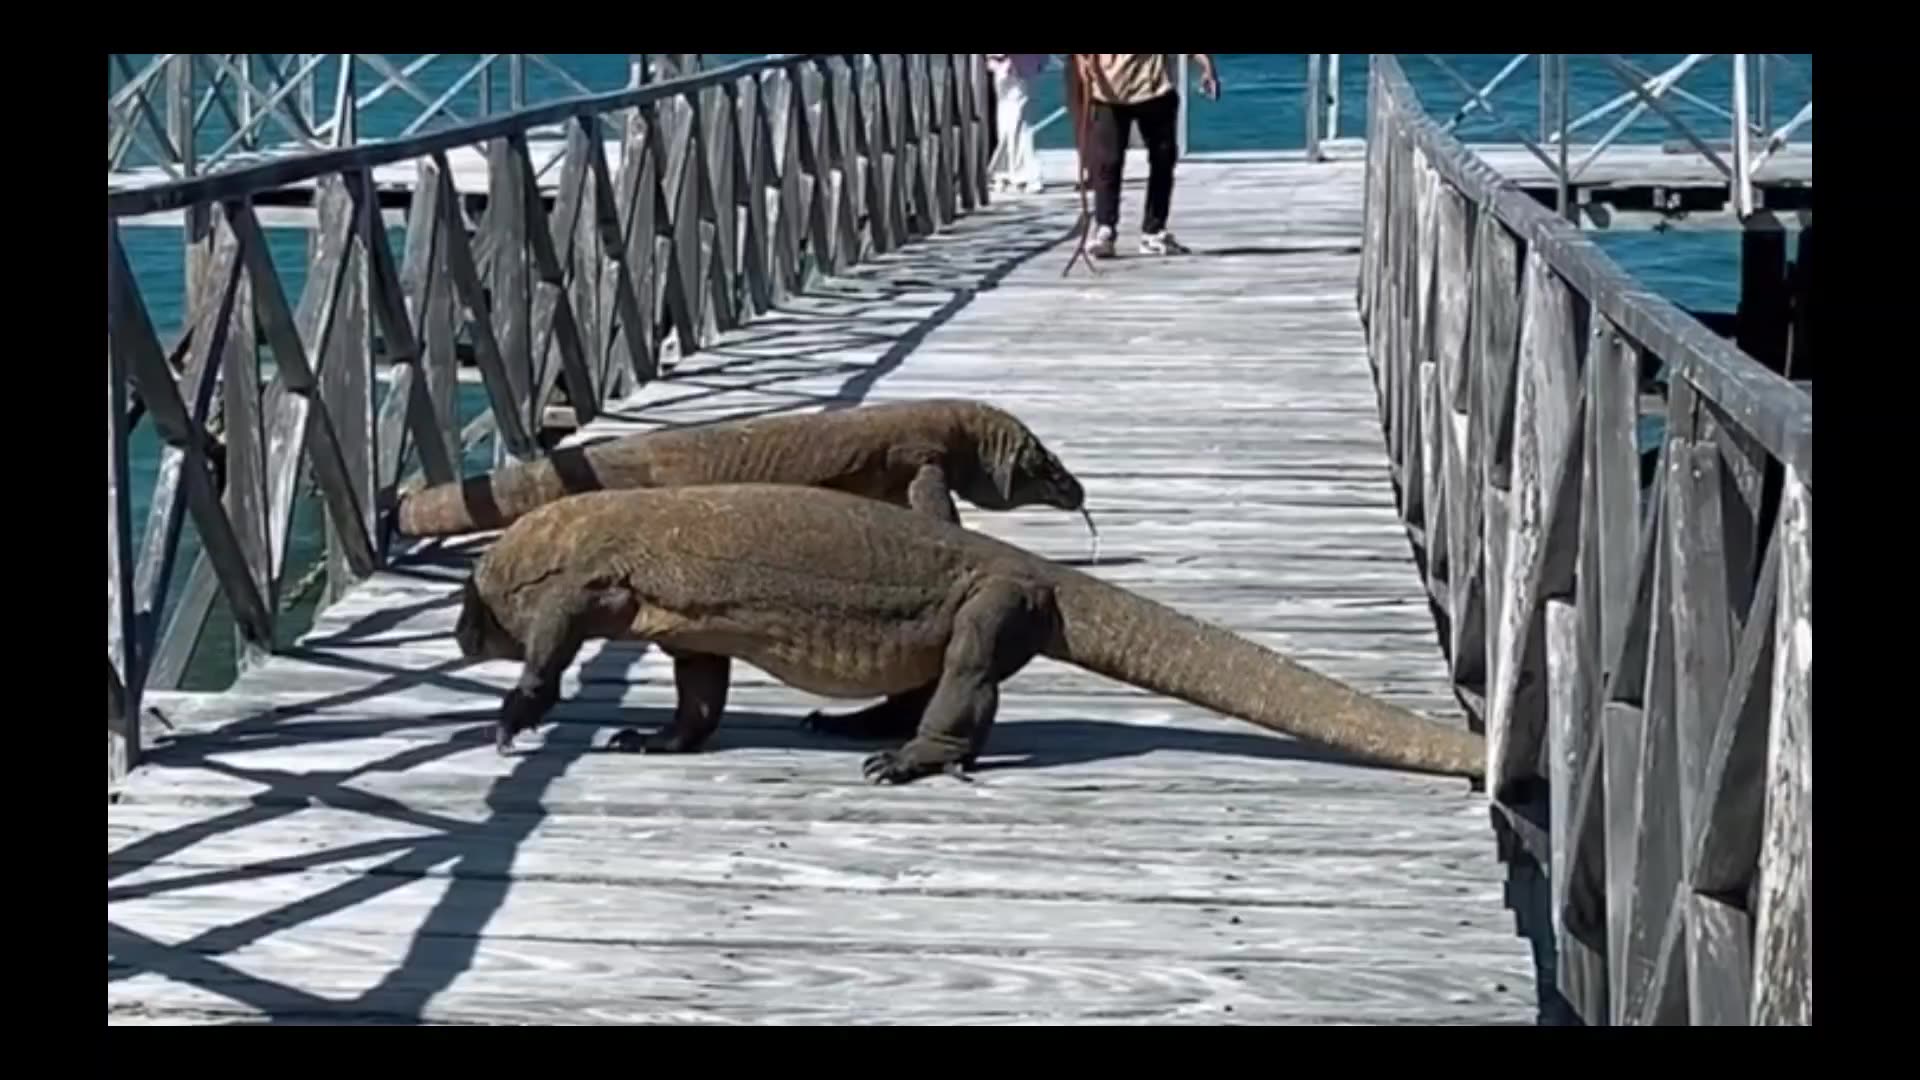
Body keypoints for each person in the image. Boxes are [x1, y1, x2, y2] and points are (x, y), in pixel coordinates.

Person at [1071, 53, 1220, 257]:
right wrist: (1082, 63)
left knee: (1163, 160)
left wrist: (1207, 67)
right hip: (1108, 89)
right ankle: (1105, 228)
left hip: (1154, 88)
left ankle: (1154, 230)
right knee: (1108, 162)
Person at [986, 54, 1048, 194]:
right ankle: (1008, 171)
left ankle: (1015, 172)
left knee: (1015, 118)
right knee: (1009, 119)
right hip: (1008, 66)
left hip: (1015, 66)